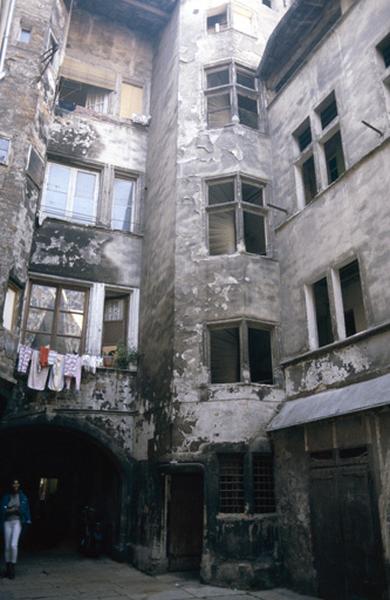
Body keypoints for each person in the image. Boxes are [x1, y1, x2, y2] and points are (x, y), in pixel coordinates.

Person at [0, 479, 31, 579]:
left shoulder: (22, 497)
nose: (15, 486)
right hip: (7, 522)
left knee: (13, 545)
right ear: (11, 485)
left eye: (17, 484)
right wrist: (13, 509)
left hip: (17, 522)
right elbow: (3, 510)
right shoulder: (6, 496)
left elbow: (23, 510)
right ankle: (8, 568)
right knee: (7, 546)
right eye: (14, 484)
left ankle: (12, 568)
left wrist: (11, 509)